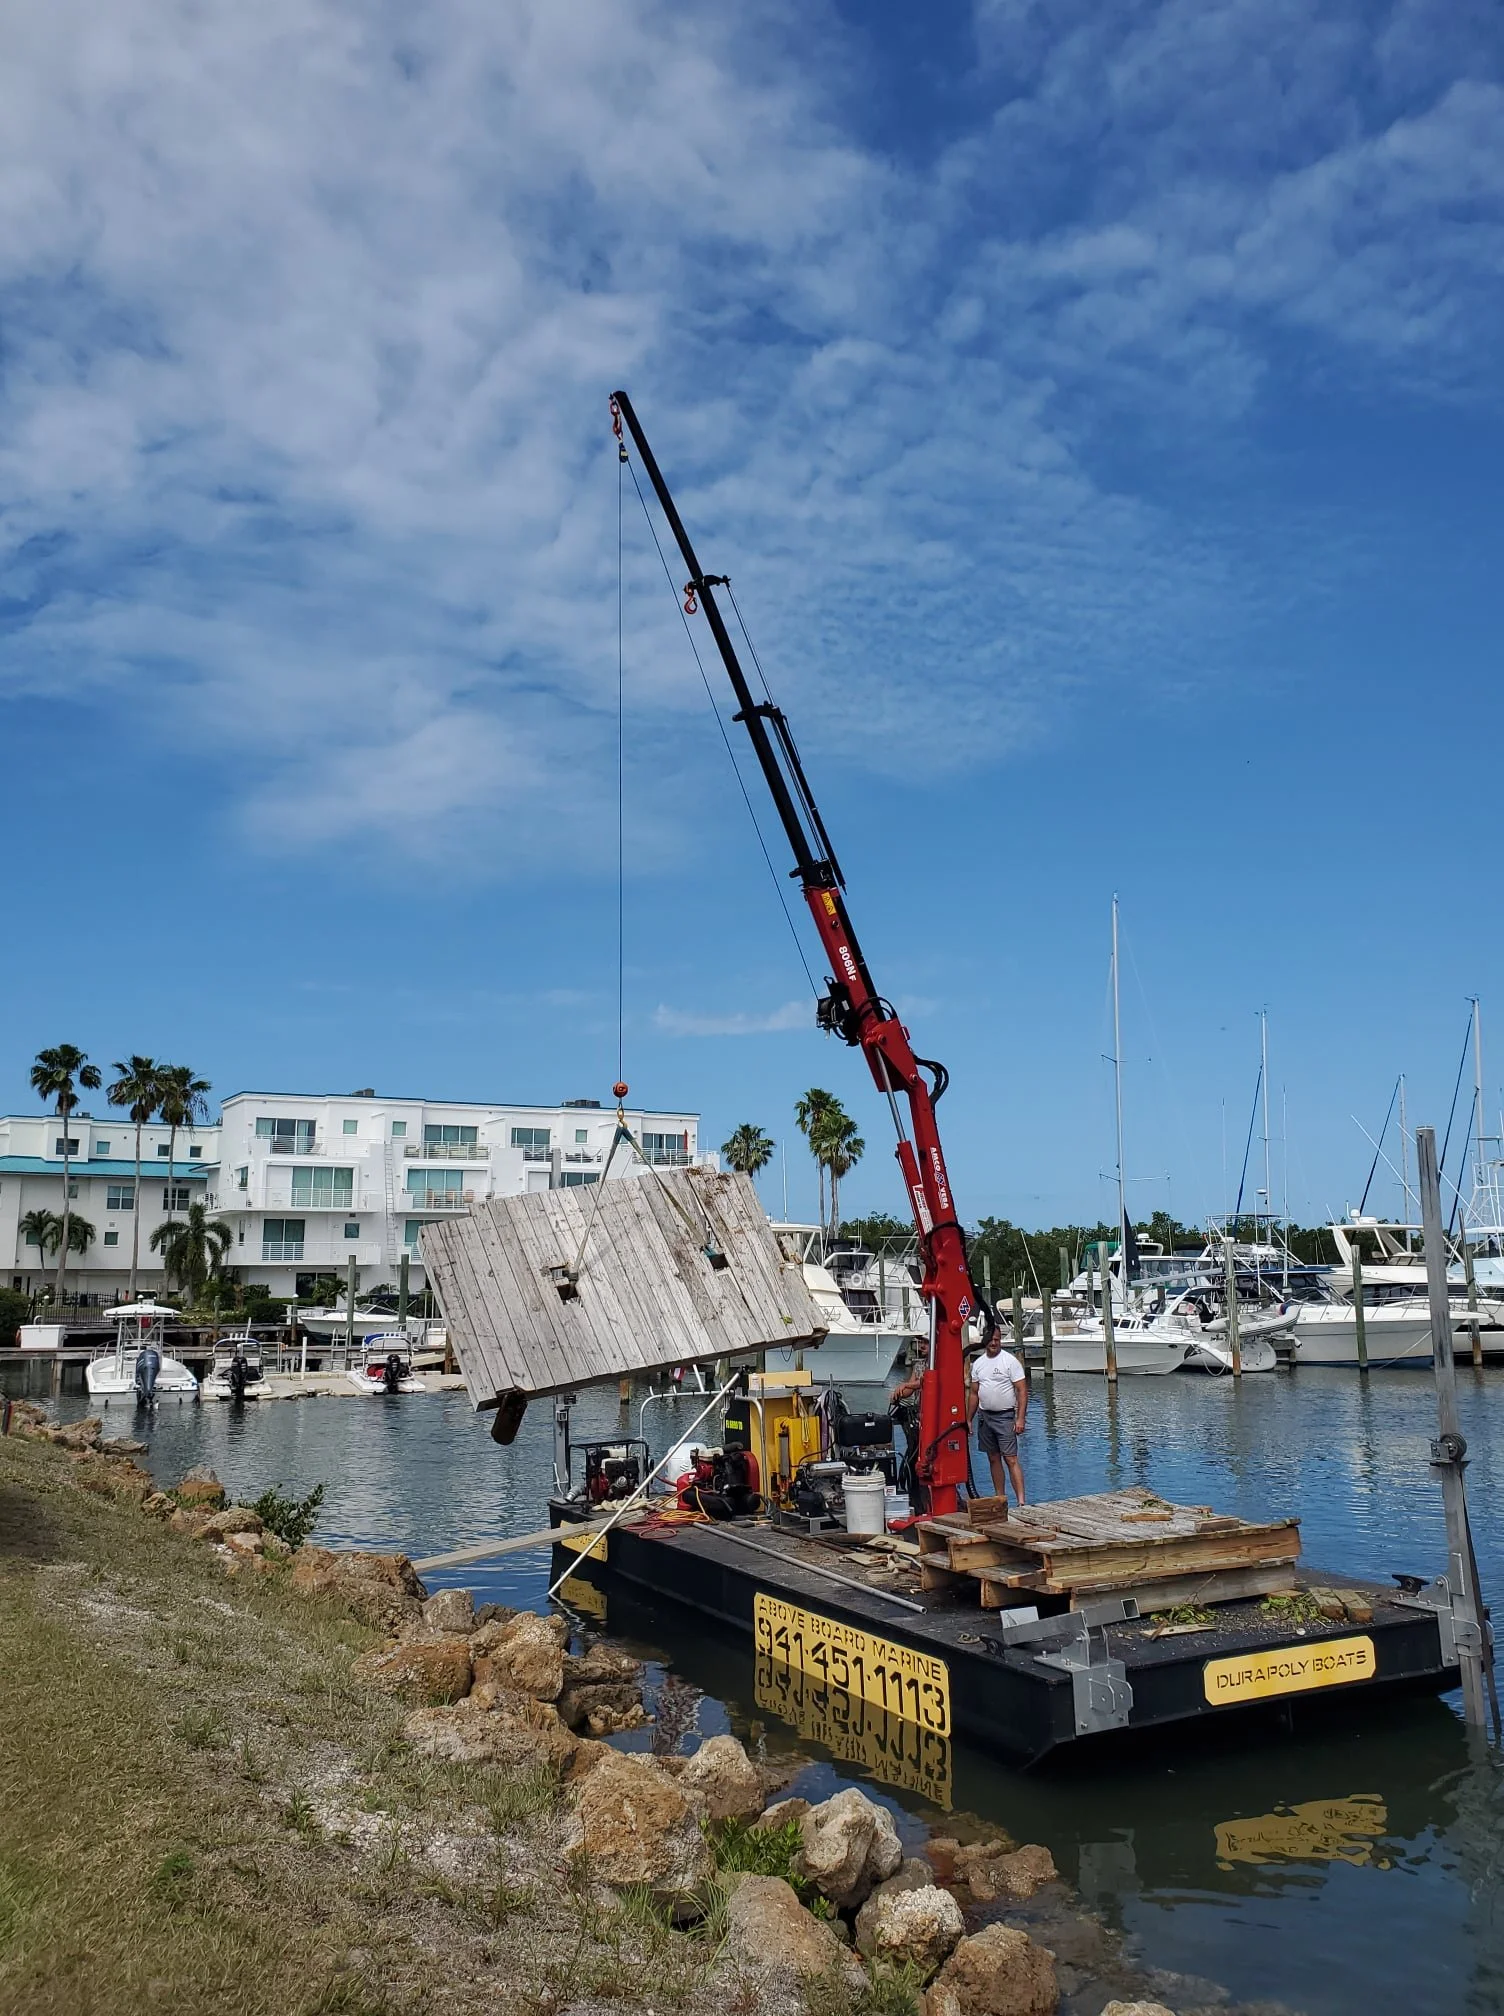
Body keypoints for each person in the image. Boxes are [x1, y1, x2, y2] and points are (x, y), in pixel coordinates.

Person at [967, 1329, 1028, 1505]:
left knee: (1011, 1458)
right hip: (984, 1417)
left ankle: (1021, 1502)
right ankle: (1000, 1498)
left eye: (997, 1340)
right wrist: (969, 1419)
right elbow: (973, 1393)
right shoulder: (978, 1364)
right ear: (985, 1341)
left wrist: (1020, 1418)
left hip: (1005, 1416)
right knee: (993, 1457)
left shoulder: (1009, 1362)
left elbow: (1022, 1390)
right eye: (991, 1340)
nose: (994, 1343)